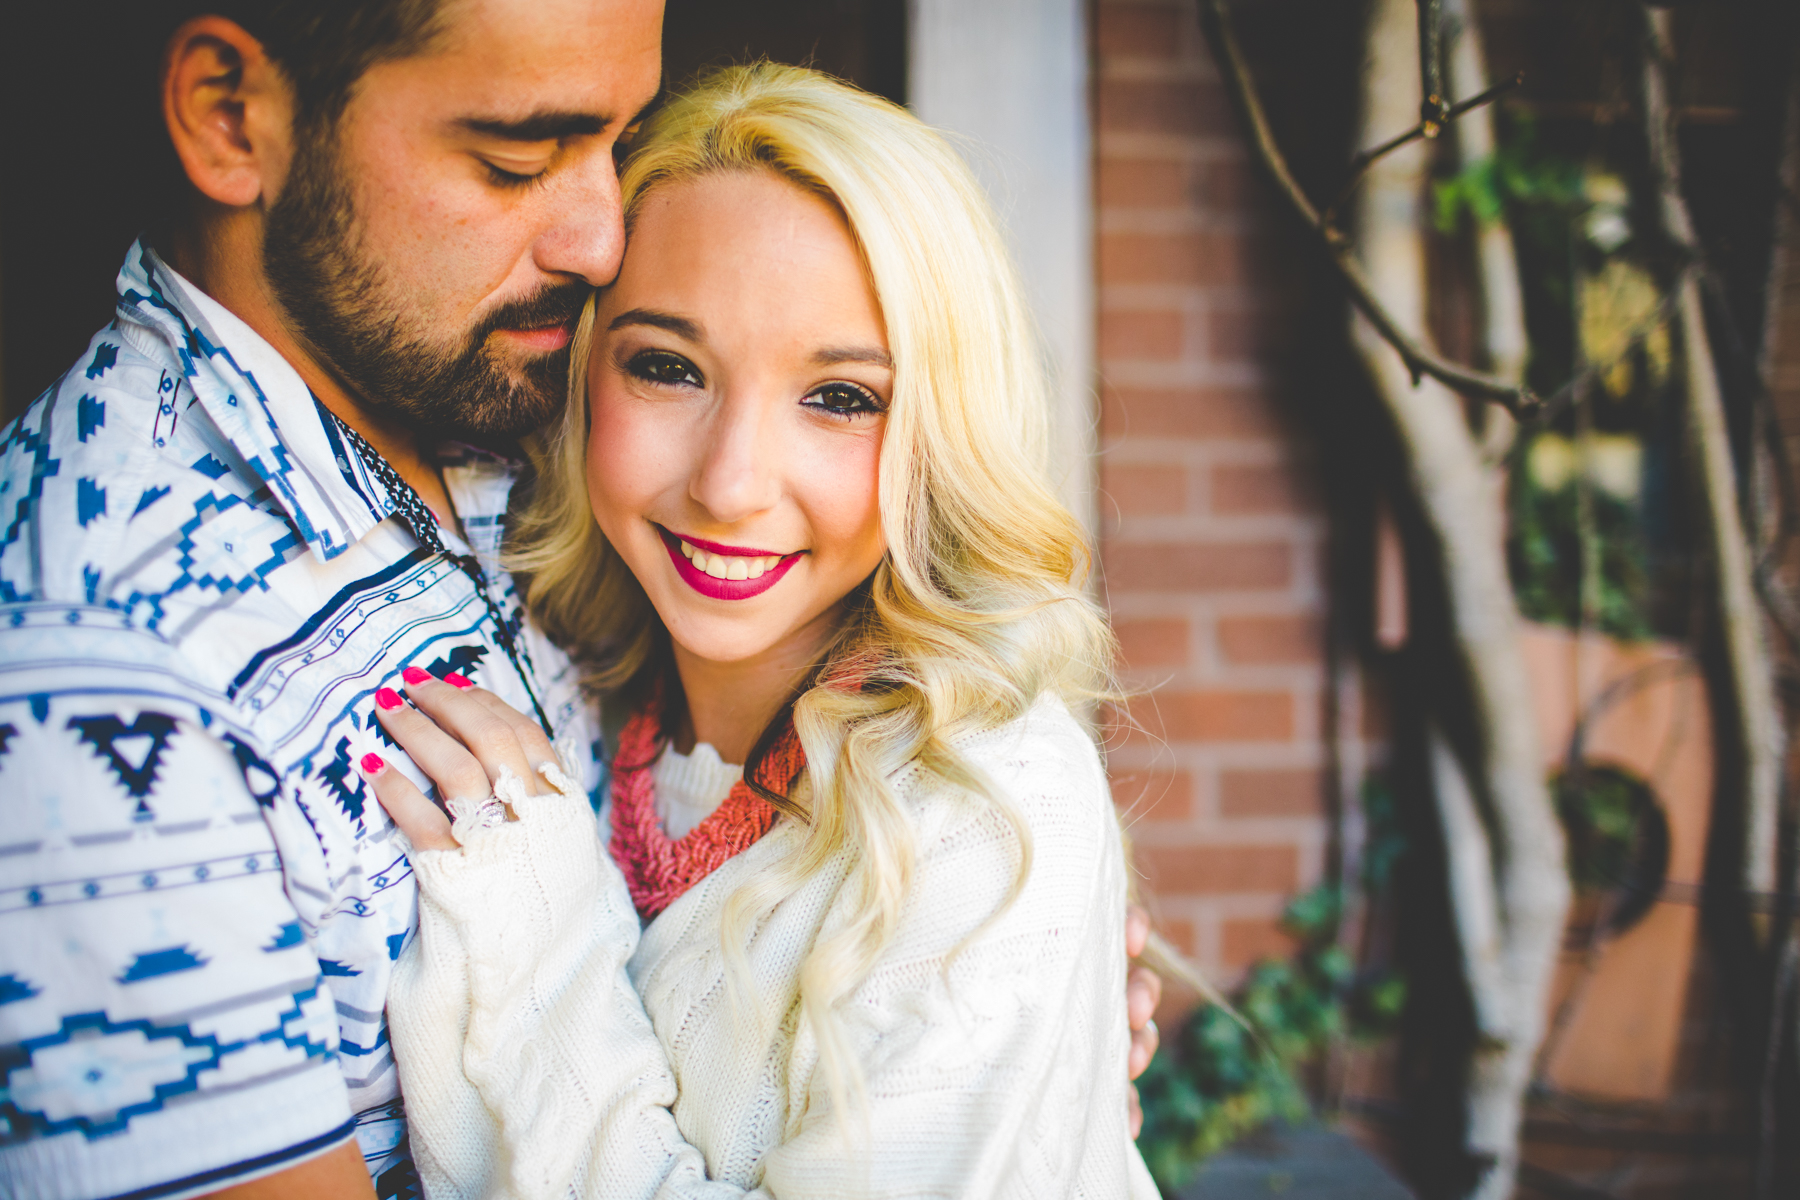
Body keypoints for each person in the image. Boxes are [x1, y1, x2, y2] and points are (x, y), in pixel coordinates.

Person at [0, 5, 1159, 1199]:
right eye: (517, 155)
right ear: (230, 116)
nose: (603, 237)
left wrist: (1001, 1023)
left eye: (614, 145)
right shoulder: (88, 658)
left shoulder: (505, 430)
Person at [362, 62, 1161, 1198]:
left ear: (940, 435)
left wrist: (535, 946)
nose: (732, 483)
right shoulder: (578, 691)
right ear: (586, 380)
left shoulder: (989, 806)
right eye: (668, 368)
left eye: (840, 396)